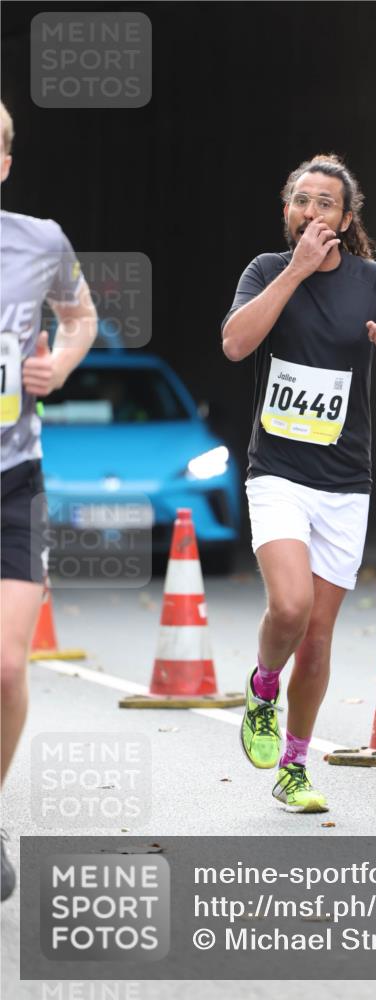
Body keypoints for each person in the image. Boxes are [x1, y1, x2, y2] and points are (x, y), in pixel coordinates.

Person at [221, 153, 376, 813]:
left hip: (345, 482)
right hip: (279, 474)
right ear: (287, 212)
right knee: (288, 608)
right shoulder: (265, 271)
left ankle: (293, 767)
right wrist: (292, 272)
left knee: (316, 636)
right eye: (301, 201)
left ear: (346, 219)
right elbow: (234, 345)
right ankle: (262, 689)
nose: (311, 212)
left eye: (325, 203)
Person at [0, 101, 97, 899]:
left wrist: (60, 365)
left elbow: (82, 315)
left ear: (3, 163)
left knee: (4, 668)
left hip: (13, 478)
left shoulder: (41, 241)